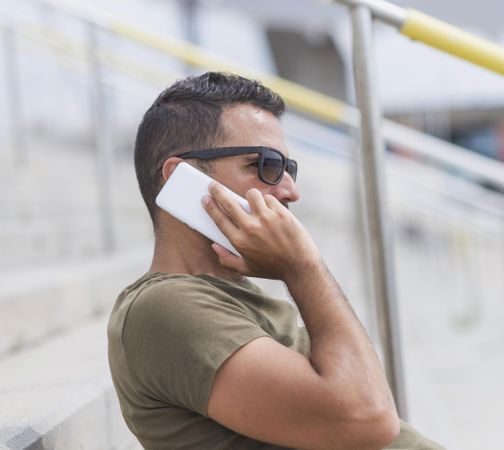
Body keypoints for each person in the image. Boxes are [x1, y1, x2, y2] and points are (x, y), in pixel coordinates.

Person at [107, 71, 445, 450]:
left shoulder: (225, 295)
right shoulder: (165, 307)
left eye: (289, 168)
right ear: (179, 179)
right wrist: (303, 266)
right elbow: (367, 417)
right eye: (265, 164)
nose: (290, 190)